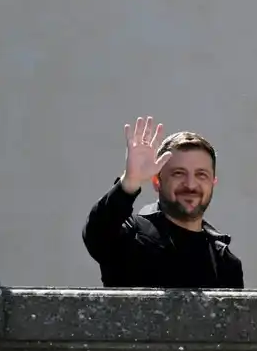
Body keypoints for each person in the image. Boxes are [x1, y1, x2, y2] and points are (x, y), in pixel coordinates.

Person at [82, 116, 243, 289]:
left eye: (201, 174)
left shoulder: (225, 262)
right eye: (178, 173)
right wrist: (130, 182)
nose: (190, 184)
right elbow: (97, 233)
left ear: (213, 183)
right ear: (157, 181)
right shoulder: (131, 235)